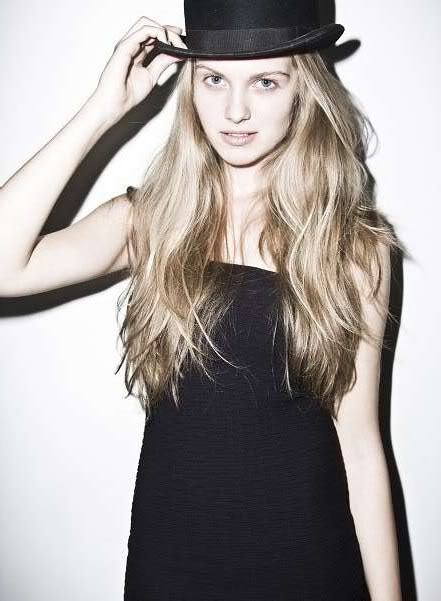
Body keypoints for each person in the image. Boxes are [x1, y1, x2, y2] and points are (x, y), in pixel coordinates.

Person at [0, 1, 404, 599]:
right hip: (174, 568)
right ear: (190, 86)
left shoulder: (353, 247)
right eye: (214, 79)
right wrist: (102, 109)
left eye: (265, 82)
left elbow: (362, 446)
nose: (235, 110)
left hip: (310, 569)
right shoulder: (151, 221)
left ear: (303, 90)